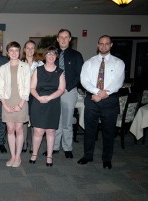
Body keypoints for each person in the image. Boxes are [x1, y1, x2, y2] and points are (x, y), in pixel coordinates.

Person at [78, 35, 125, 169]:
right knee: (89, 130)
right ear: (97, 45)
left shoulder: (119, 63)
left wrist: (104, 94)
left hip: (110, 101)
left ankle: (107, 159)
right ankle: (88, 156)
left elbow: (118, 82)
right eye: (101, 43)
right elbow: (84, 80)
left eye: (106, 43)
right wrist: (97, 92)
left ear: (111, 45)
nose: (103, 46)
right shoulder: (89, 62)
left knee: (108, 131)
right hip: (92, 99)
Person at [45, 29, 83, 159]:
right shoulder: (52, 55)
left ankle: (67, 147)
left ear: (70, 39)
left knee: (67, 121)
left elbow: (79, 75)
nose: (63, 39)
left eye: (66, 37)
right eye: (61, 37)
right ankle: (54, 147)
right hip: (54, 92)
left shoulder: (77, 55)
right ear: (57, 39)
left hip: (69, 91)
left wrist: (66, 87)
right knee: (55, 120)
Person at [30, 47, 66, 166]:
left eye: (53, 54)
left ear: (56, 57)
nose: (51, 56)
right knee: (38, 131)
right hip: (38, 102)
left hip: (53, 103)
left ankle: (49, 156)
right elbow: (32, 88)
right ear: (45, 56)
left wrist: (49, 97)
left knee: (51, 131)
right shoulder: (38, 70)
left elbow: (61, 89)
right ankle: (34, 154)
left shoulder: (60, 72)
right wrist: (39, 98)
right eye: (49, 54)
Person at [0, 41, 30, 167]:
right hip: (7, 101)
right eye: (11, 50)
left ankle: (18, 157)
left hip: (21, 101)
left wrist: (21, 104)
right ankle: (12, 156)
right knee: (10, 130)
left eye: (16, 50)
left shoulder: (25, 67)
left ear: (19, 52)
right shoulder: (3, 68)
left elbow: (27, 87)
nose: (14, 53)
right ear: (7, 53)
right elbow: (1, 88)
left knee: (19, 129)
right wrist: (4, 105)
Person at [21, 40, 44, 152]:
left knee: (34, 120)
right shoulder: (19, 62)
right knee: (24, 120)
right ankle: (24, 143)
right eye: (27, 48)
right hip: (23, 96)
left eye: (32, 48)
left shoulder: (40, 64)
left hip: (35, 96)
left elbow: (44, 81)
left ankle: (33, 146)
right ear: (24, 50)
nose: (30, 50)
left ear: (34, 50)